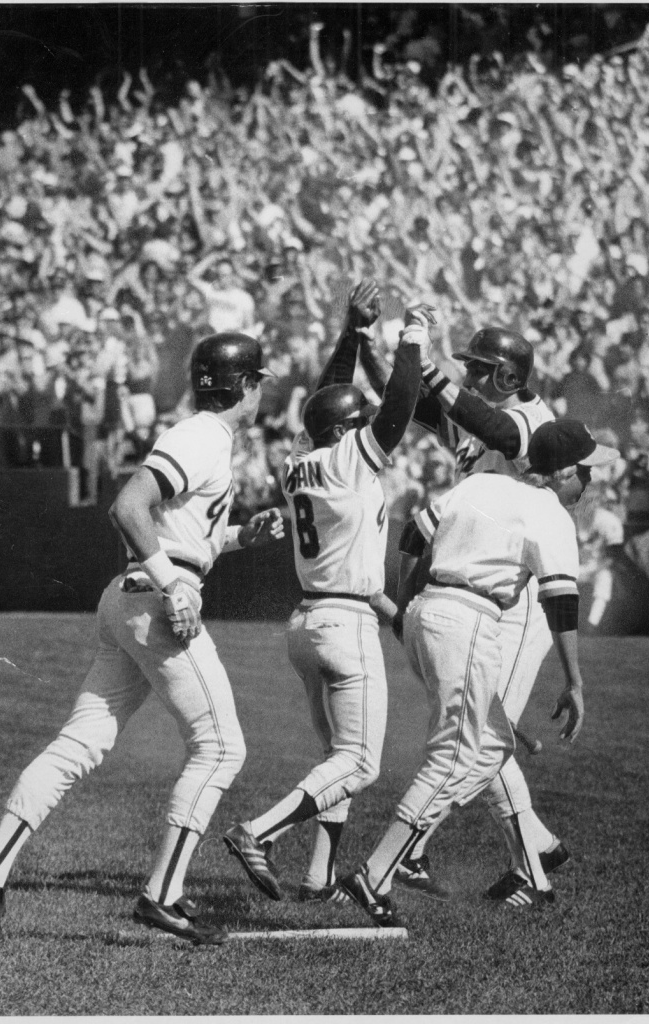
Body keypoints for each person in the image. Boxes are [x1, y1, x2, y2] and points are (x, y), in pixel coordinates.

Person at [0, 332, 285, 948]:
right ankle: (163, 896)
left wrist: (241, 538)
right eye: (259, 380)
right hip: (158, 601)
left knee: (79, 743)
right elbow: (128, 506)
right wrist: (174, 589)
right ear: (241, 386)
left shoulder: (207, 438)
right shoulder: (201, 435)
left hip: (130, 599)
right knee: (221, 748)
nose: (263, 391)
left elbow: (180, 528)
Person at [338, 420, 619, 926]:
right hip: (468, 620)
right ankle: (376, 874)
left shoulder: (482, 482)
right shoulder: (550, 512)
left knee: (490, 743)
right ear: (559, 474)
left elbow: (412, 533)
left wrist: (405, 606)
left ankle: (532, 862)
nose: (589, 482)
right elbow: (560, 601)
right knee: (454, 756)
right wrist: (575, 681)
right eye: (585, 471)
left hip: (430, 610)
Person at [222, 281, 425, 902]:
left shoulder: (301, 460)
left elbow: (324, 404)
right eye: (358, 420)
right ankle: (259, 832)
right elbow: (400, 404)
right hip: (344, 624)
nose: (371, 424)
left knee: (338, 761)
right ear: (349, 429)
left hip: (306, 623)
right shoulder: (346, 459)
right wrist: (410, 337)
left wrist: (350, 335)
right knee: (361, 764)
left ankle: (318, 876)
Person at [359, 325, 566, 905]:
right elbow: (411, 399)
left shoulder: (531, 419)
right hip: (479, 584)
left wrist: (431, 371)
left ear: (507, 376)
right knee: (482, 731)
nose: (469, 377)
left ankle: (412, 849)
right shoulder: (474, 413)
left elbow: (495, 427)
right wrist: (376, 349)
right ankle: (535, 852)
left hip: (516, 589)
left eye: (479, 369)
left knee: (480, 741)